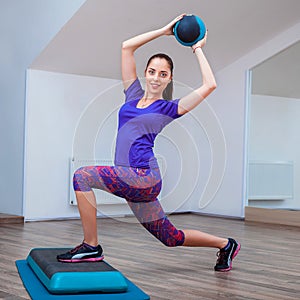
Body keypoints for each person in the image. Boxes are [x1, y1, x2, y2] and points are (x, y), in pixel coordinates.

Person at [57, 14, 240, 272]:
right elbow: (127, 47)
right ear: (145, 73)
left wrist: (197, 48)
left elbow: (210, 84)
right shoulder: (131, 94)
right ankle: (226, 244)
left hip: (143, 178)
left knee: (82, 176)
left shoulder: (169, 108)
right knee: (170, 237)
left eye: (162, 74)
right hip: (131, 178)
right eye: (152, 72)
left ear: (169, 79)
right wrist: (164, 31)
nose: (156, 78)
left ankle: (91, 245)